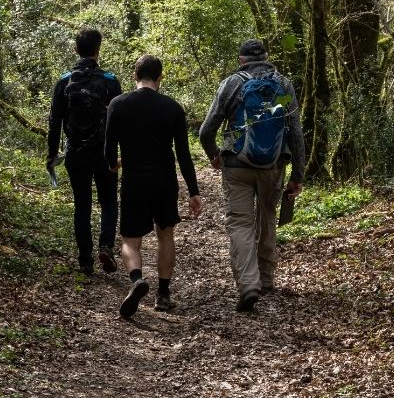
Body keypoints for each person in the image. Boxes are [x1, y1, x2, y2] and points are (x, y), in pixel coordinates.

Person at [199, 39, 305, 311]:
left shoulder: (232, 84)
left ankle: (248, 284)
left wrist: (215, 155)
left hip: (237, 165)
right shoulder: (284, 86)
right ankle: (266, 278)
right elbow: (295, 132)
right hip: (273, 166)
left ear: (241, 60)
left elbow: (206, 131)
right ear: (267, 58)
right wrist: (298, 174)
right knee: (267, 216)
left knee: (240, 223)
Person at [104, 55, 203, 318]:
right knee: (166, 235)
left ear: (135, 76)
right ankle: (163, 294)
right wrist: (193, 191)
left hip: (134, 180)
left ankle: (137, 279)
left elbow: (108, 149)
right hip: (164, 180)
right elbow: (183, 155)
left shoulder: (118, 104)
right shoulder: (172, 108)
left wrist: (114, 164)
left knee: (130, 240)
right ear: (160, 77)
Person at [48, 28, 122, 275]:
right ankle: (106, 246)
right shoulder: (110, 81)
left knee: (82, 204)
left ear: (76, 49)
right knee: (109, 201)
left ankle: (85, 260)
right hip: (104, 153)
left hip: (75, 152)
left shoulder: (64, 81)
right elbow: (118, 121)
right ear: (98, 49)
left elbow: (54, 122)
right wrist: (120, 152)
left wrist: (52, 154)